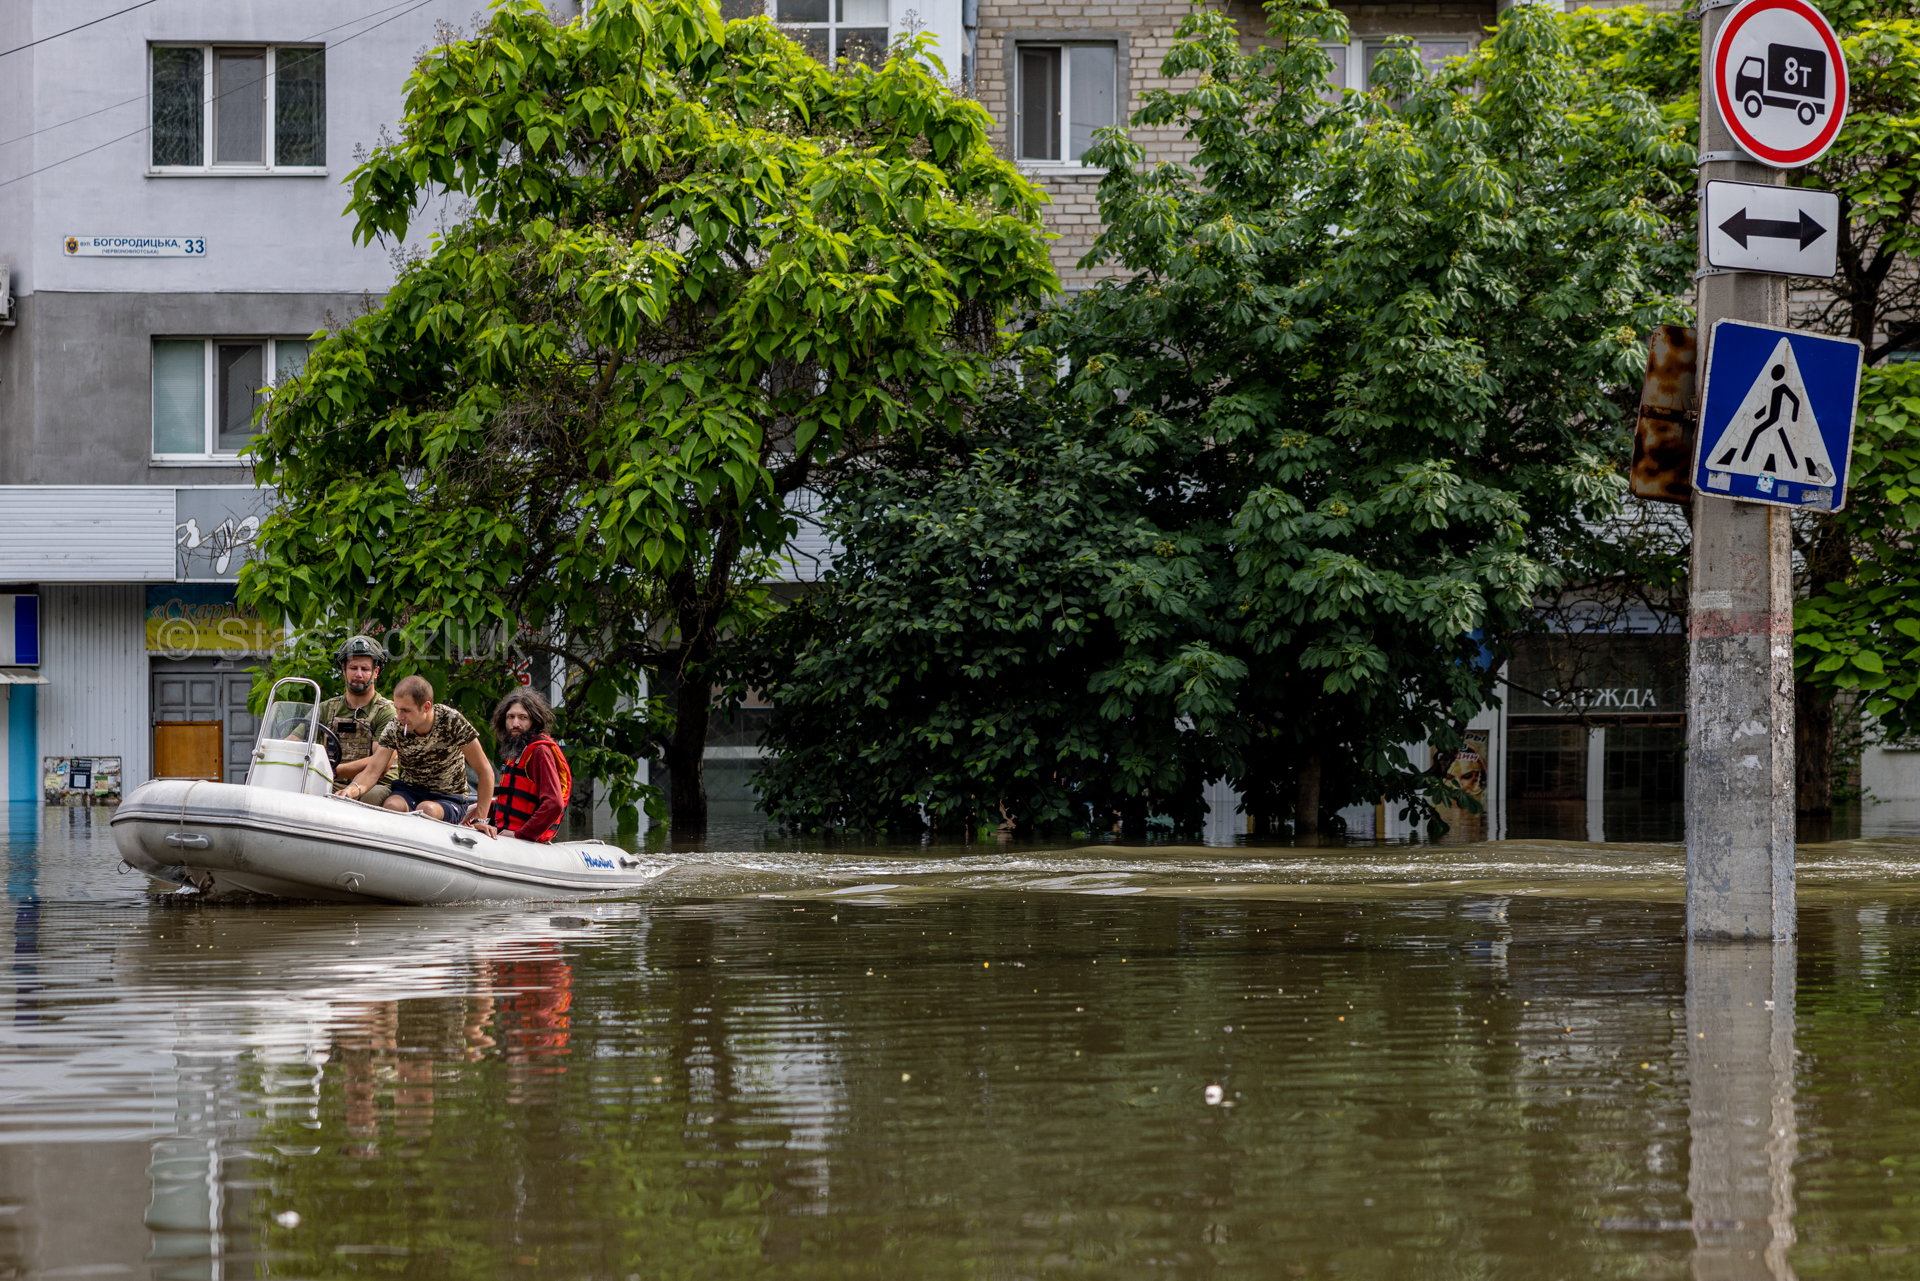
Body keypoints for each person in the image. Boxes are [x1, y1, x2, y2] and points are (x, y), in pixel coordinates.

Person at [340, 674, 494, 826]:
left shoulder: (451, 721)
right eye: (397, 709)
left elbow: (484, 770)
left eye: (406, 710)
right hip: (410, 791)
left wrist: (480, 819)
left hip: (448, 797)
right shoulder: (395, 726)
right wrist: (350, 791)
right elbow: (373, 770)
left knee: (426, 811)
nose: (399, 716)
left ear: (426, 707)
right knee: (392, 806)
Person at [479, 688, 572, 842]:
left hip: (523, 840)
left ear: (534, 722)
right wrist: (480, 808)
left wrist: (520, 834)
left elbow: (554, 804)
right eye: (511, 717)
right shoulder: (518, 750)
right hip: (506, 834)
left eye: (523, 717)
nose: (516, 723)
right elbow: (512, 801)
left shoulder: (540, 752)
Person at [318, 635, 399, 807]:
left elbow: (381, 763)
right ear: (343, 669)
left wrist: (330, 770)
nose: (359, 674)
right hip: (332, 782)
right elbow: (295, 740)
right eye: (353, 668)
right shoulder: (325, 709)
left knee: (371, 797)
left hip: (375, 785)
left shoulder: (385, 712)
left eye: (365, 669)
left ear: (375, 673)